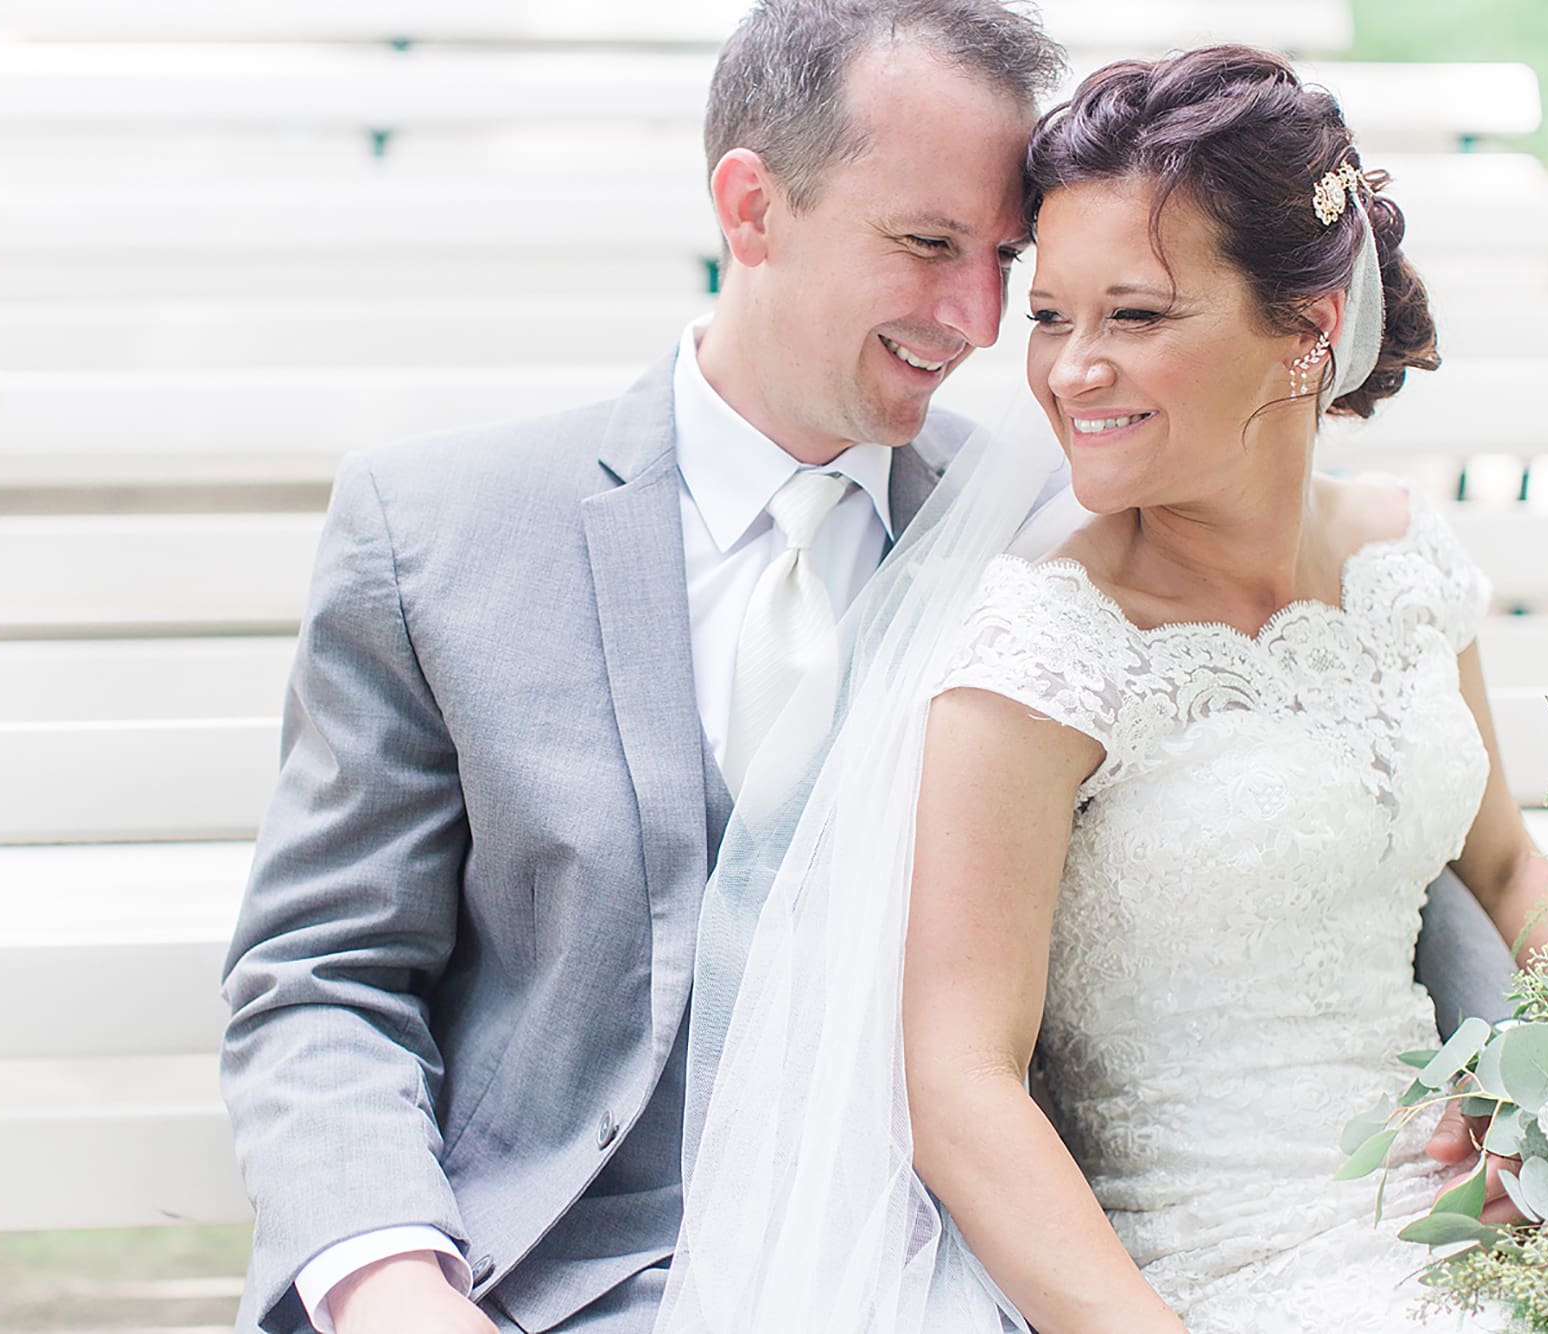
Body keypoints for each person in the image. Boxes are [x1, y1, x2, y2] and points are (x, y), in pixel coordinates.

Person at [659, 45, 1548, 1334]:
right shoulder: (1038, 653)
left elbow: (1505, 871)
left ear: (1310, 330)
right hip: (1219, 1278)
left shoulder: (1403, 562)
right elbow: (958, 1083)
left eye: (1138, 316)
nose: (1068, 370)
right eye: (1052, 314)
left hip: (1476, 1228)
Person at [218, 4, 1064, 1332]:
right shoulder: (436, 532)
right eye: (926, 242)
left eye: (1006, 257)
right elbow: (325, 974)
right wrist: (395, 1285)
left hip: (947, 1279)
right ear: (751, 208)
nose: (977, 315)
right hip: (554, 1284)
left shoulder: (1045, 533)